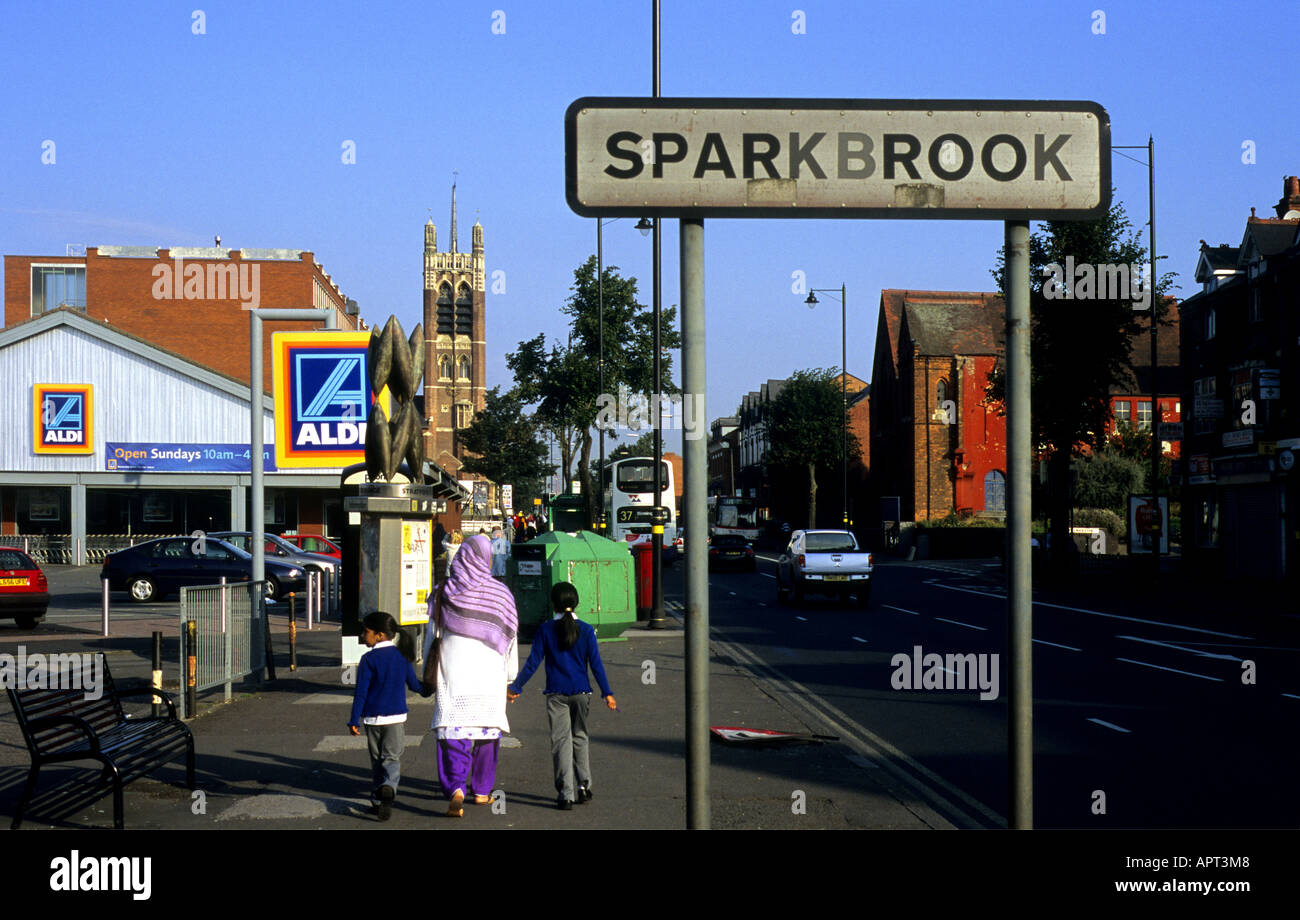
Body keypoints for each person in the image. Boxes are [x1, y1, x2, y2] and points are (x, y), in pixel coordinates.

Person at [422, 534, 518, 817]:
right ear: (487, 559)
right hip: (488, 675)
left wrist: (425, 673)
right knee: (487, 732)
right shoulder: (501, 593)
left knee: (454, 731)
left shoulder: (443, 591)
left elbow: (432, 637)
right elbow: (510, 638)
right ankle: (482, 791)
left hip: (454, 671)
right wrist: (510, 678)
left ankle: (455, 788)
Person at [508, 581, 616, 810]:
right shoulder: (586, 630)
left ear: (553, 604)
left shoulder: (546, 629)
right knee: (580, 737)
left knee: (561, 742)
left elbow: (532, 663)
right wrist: (607, 692)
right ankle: (584, 787)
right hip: (582, 692)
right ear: (576, 602)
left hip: (556, 693)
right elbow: (596, 665)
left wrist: (516, 687)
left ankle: (565, 793)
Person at [348, 611, 422, 821]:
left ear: (380, 635)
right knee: (392, 757)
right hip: (396, 717)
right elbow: (415, 685)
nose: (363, 636)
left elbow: (361, 693)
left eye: (366, 631)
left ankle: (378, 799)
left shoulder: (368, 659)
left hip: (372, 719)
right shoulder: (402, 656)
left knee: (377, 761)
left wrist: (354, 720)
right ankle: (389, 787)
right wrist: (428, 689)